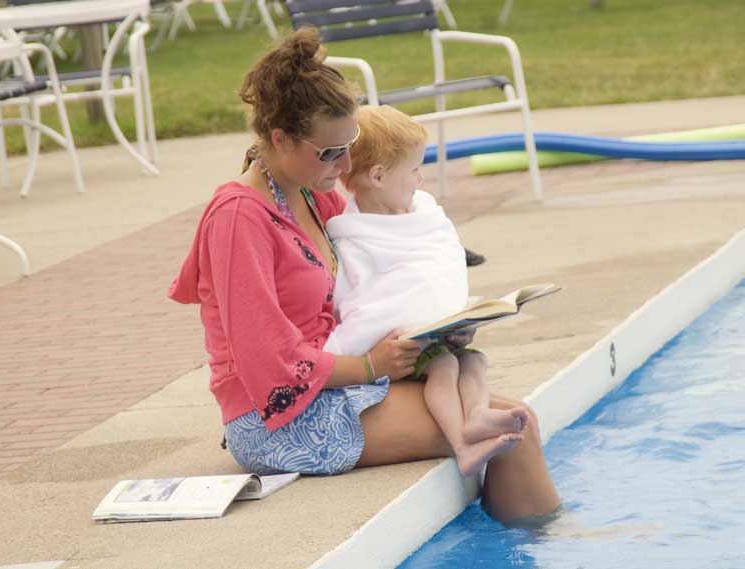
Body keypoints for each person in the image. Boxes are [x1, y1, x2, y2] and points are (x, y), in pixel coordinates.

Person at [167, 28, 559, 523]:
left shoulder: (316, 193)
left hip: (339, 384)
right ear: (280, 139)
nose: (348, 164)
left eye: (349, 145)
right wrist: (374, 365)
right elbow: (267, 362)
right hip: (276, 418)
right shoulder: (238, 218)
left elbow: (375, 286)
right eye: (330, 152)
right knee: (512, 434)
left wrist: (439, 323)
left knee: (517, 416)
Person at [324, 105, 529, 476]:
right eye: (414, 170)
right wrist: (370, 339)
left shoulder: (418, 215)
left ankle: (477, 415)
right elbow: (354, 300)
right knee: (445, 364)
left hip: (430, 336)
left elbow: (435, 265)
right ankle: (462, 441)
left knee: (473, 360)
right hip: (396, 348)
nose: (420, 180)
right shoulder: (354, 234)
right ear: (378, 176)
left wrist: (453, 316)